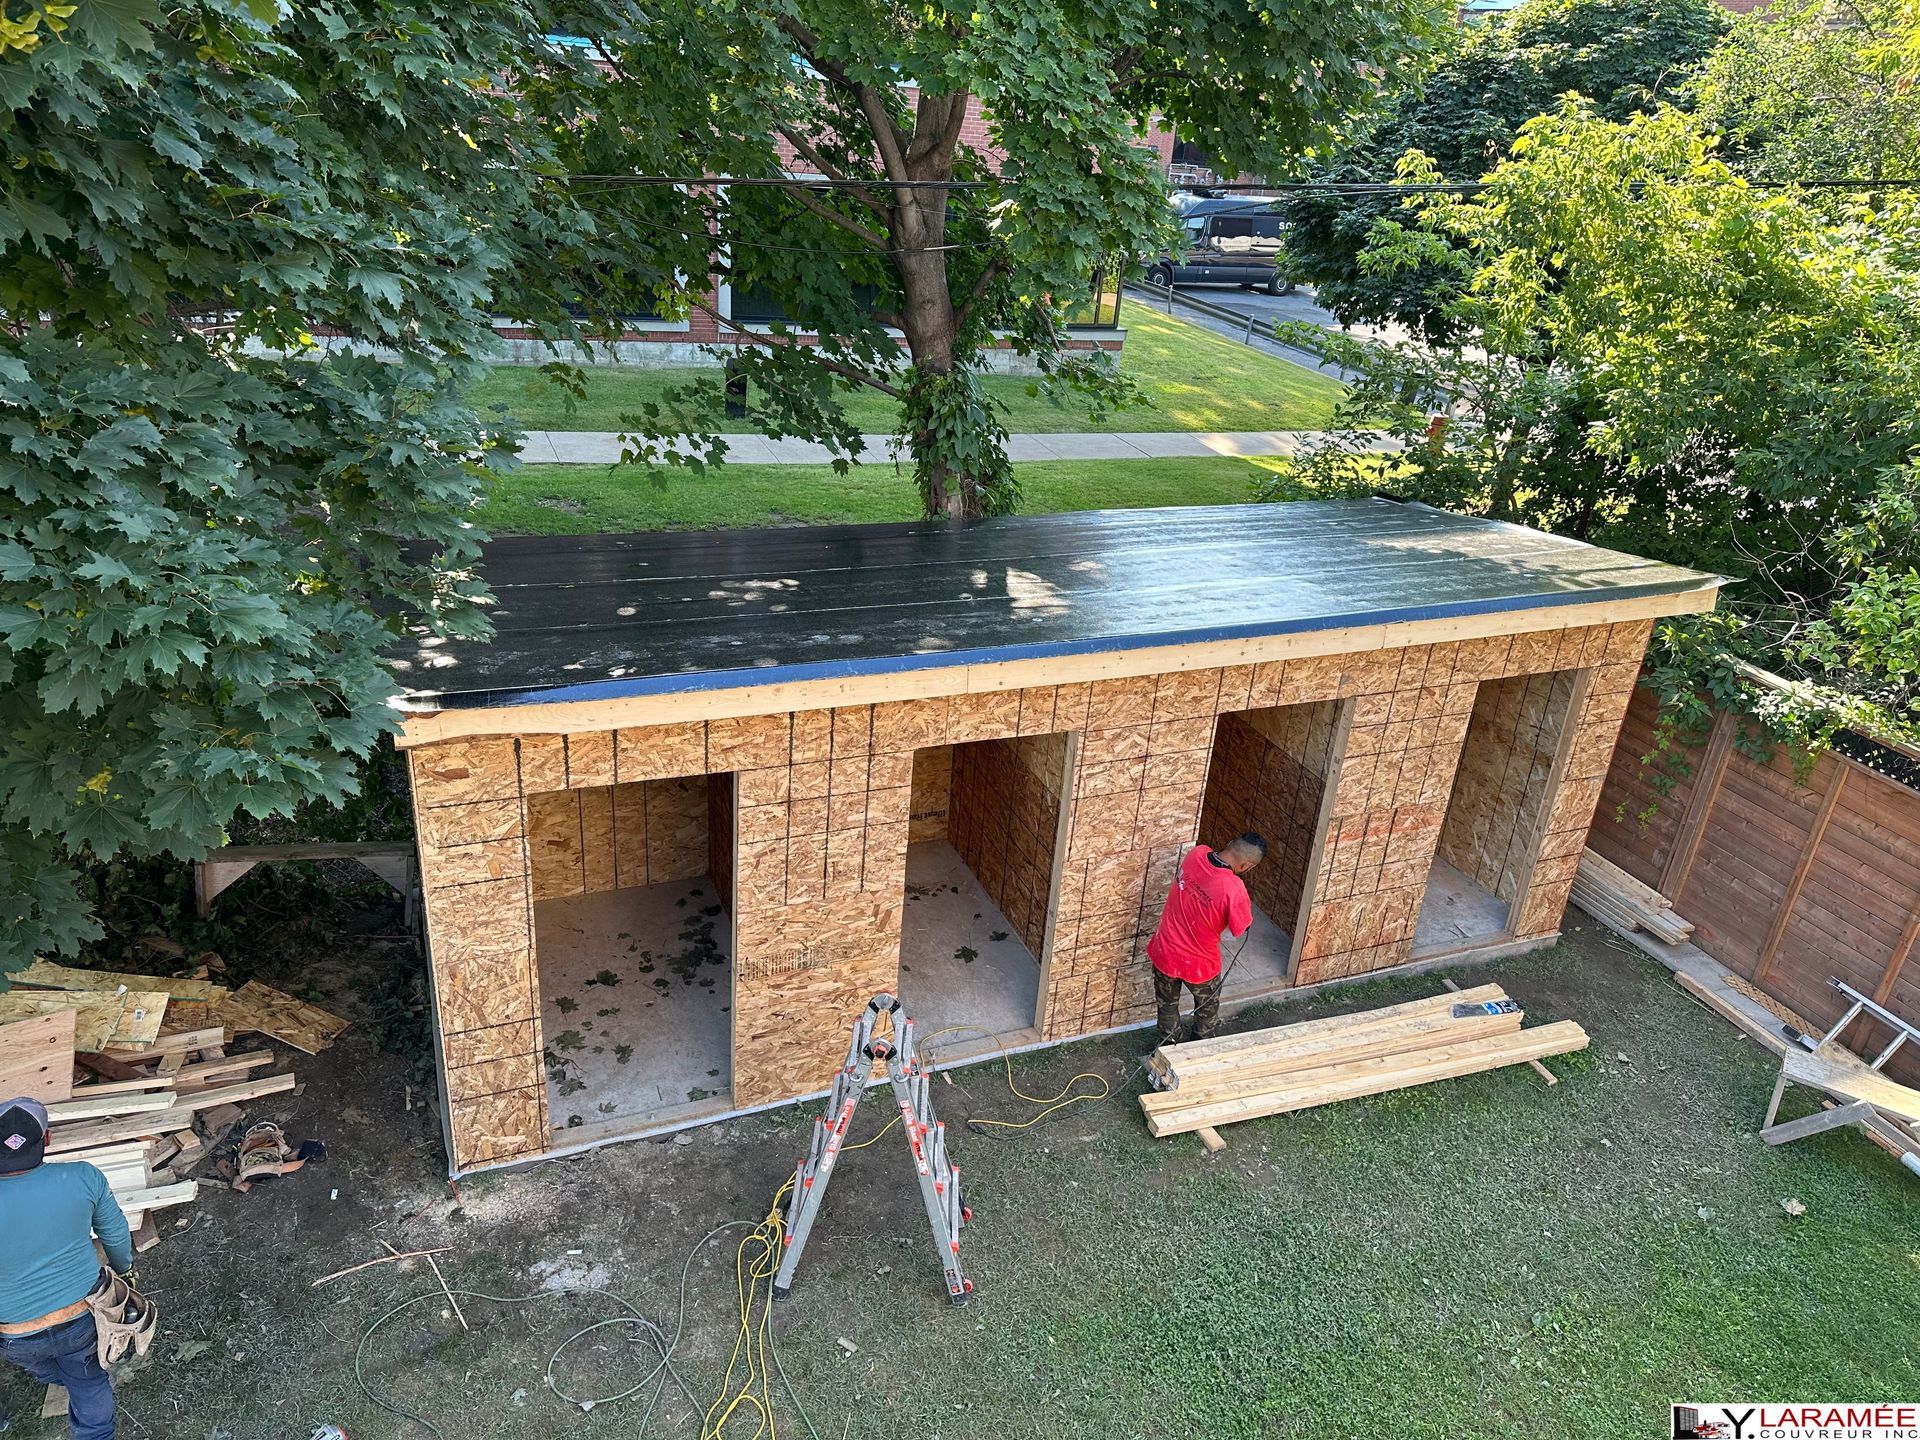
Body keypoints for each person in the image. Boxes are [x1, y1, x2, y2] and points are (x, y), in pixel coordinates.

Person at [0, 1096, 130, 1440]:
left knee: (43, 1365)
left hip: (16, 1334)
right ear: (47, 1139)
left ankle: (54, 1374)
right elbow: (114, 1234)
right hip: (82, 1316)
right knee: (88, 1379)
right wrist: (124, 1268)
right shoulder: (83, 1177)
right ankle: (95, 1432)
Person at [1146, 832, 1266, 1047]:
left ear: (1229, 843)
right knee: (1207, 1009)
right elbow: (1241, 928)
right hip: (1199, 967)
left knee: (1167, 1006)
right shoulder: (1234, 888)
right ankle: (1201, 1047)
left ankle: (1168, 1044)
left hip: (1165, 952)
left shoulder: (1197, 853)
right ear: (1246, 866)